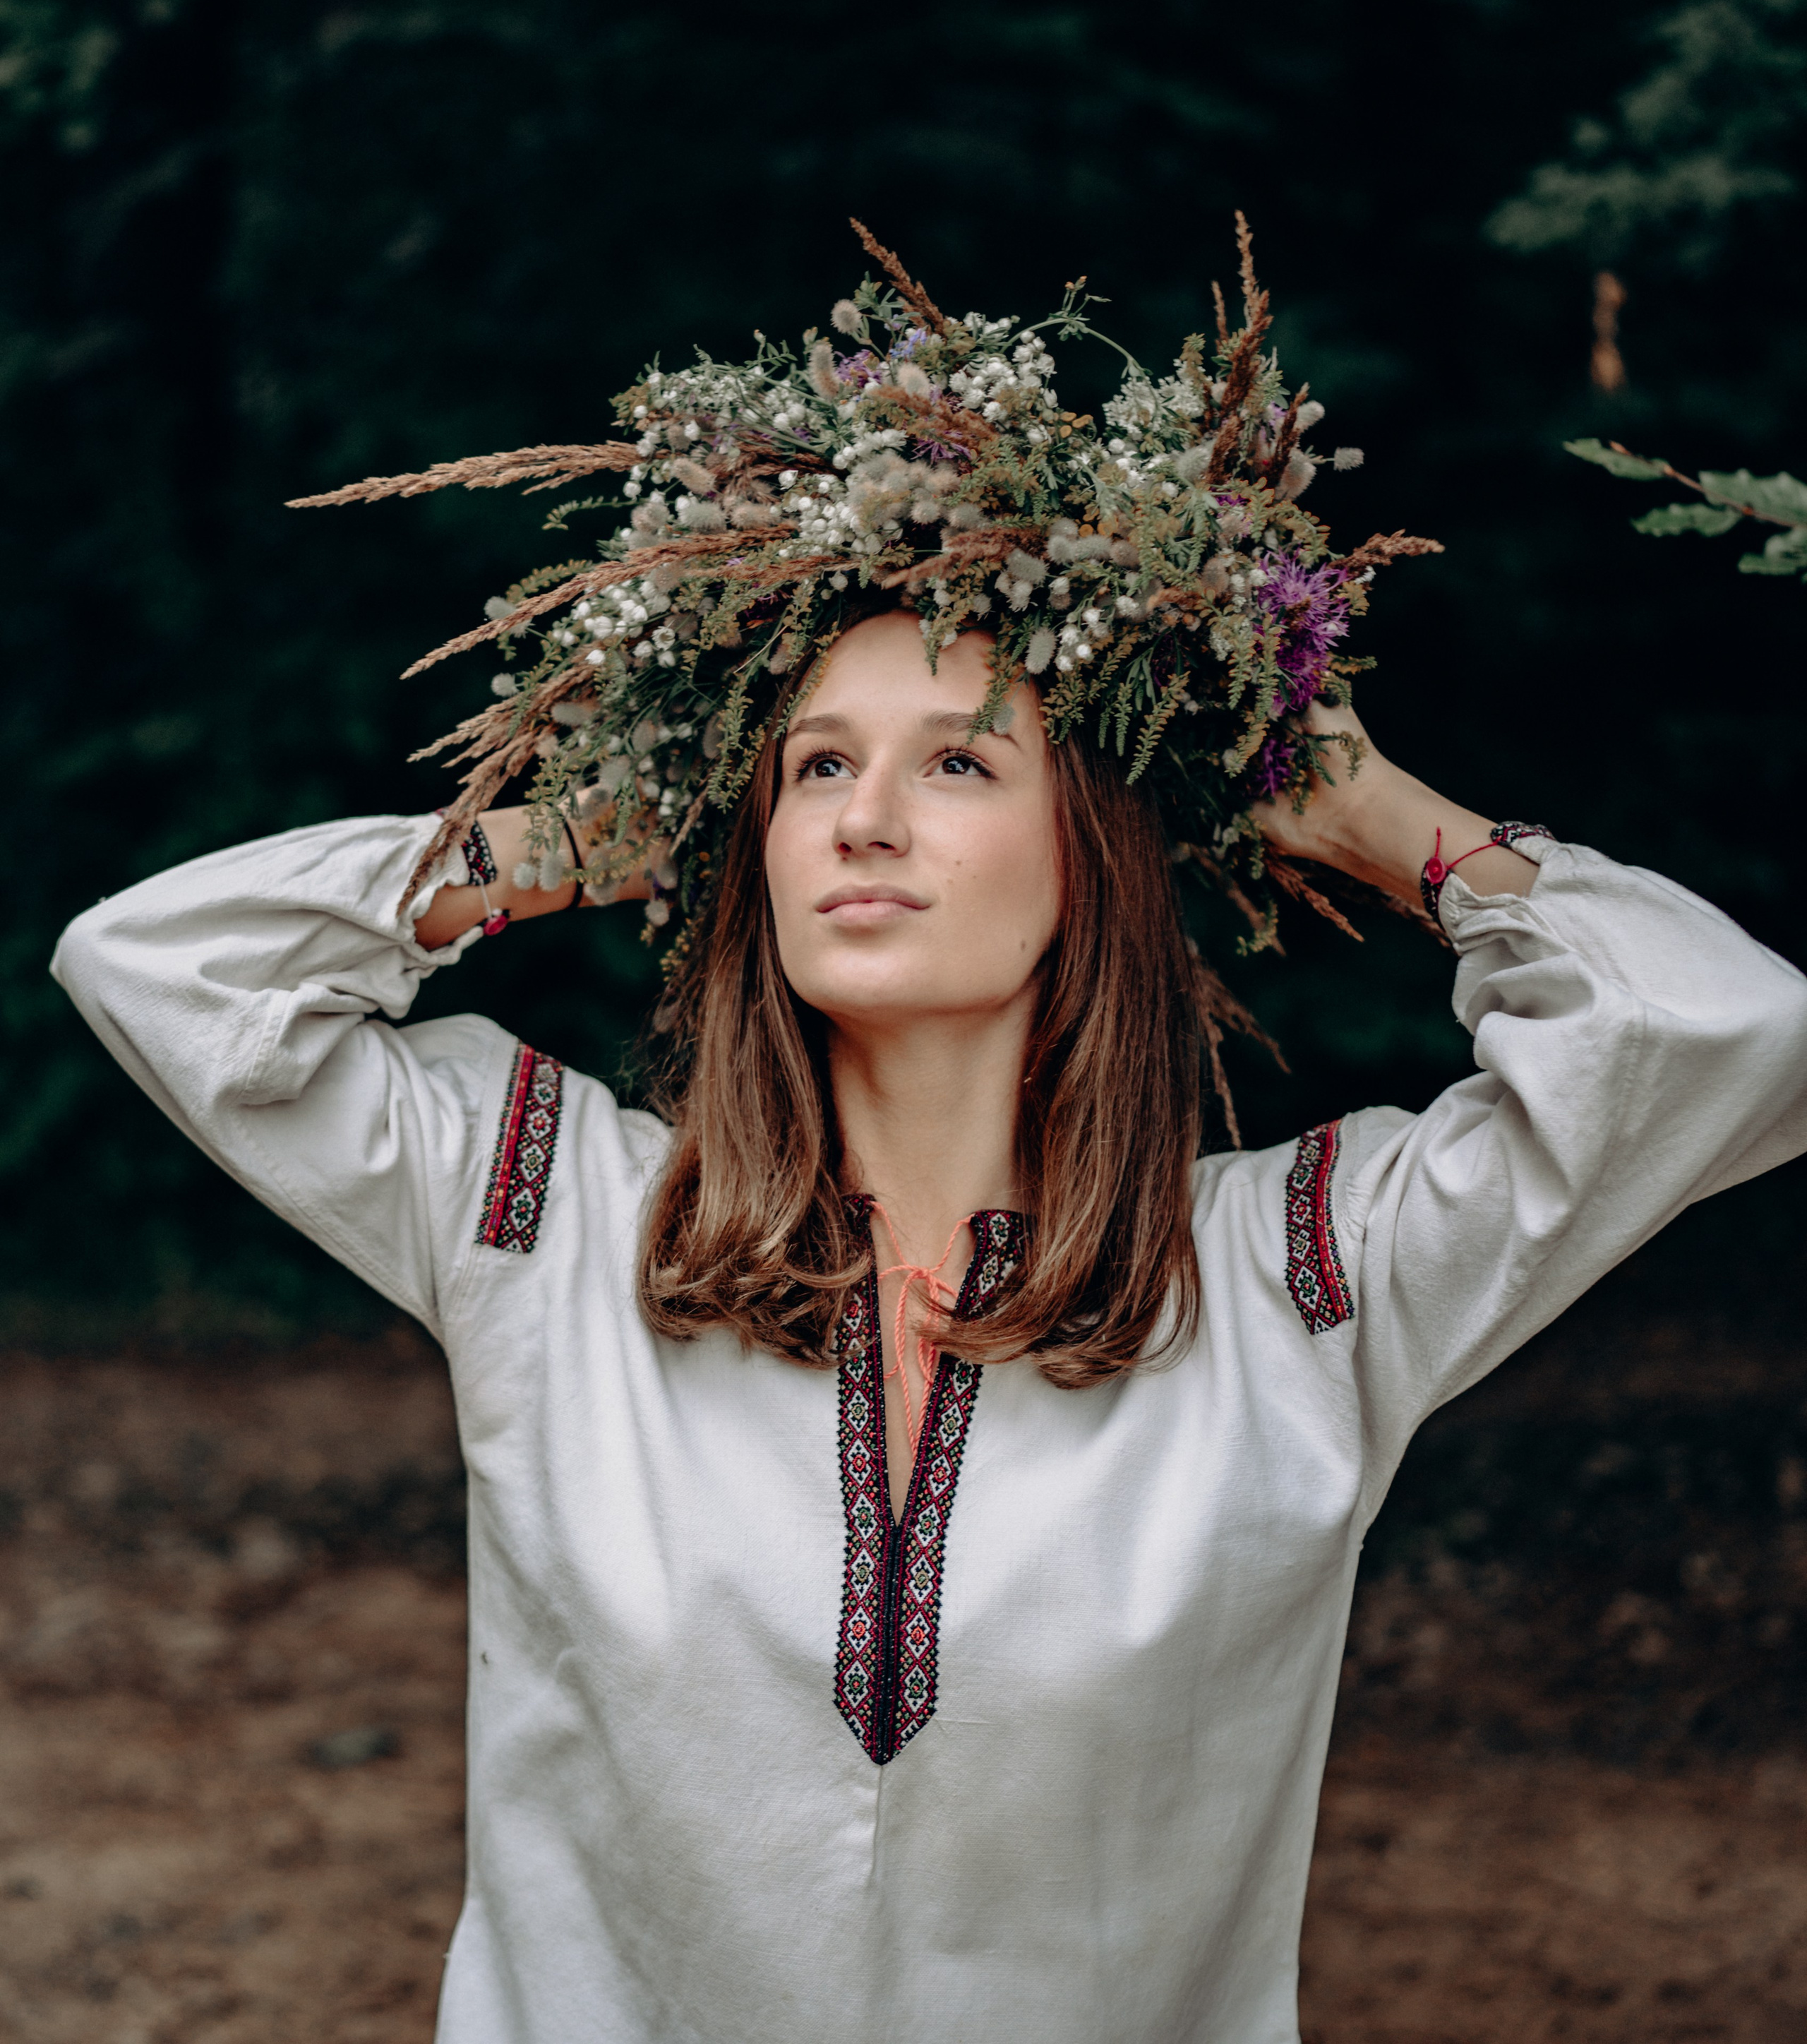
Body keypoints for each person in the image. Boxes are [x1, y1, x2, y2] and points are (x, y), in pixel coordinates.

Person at [49, 233, 1807, 2039]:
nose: (863, 815)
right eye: (813, 764)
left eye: (958, 763)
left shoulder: (1305, 1282)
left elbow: (1723, 1036)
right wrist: (552, 841)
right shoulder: (553, 1223)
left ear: (1093, 856)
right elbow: (158, 969)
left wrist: (1368, 811)